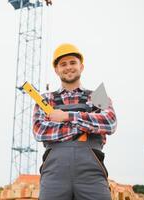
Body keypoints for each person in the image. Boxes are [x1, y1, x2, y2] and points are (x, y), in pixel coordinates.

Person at [32, 43, 117, 200]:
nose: (68, 67)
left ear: (81, 67)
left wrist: (67, 117)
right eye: (63, 64)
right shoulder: (45, 99)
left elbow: (109, 122)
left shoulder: (97, 95)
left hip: (92, 176)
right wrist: (87, 126)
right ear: (56, 69)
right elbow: (40, 131)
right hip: (54, 176)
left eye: (73, 62)